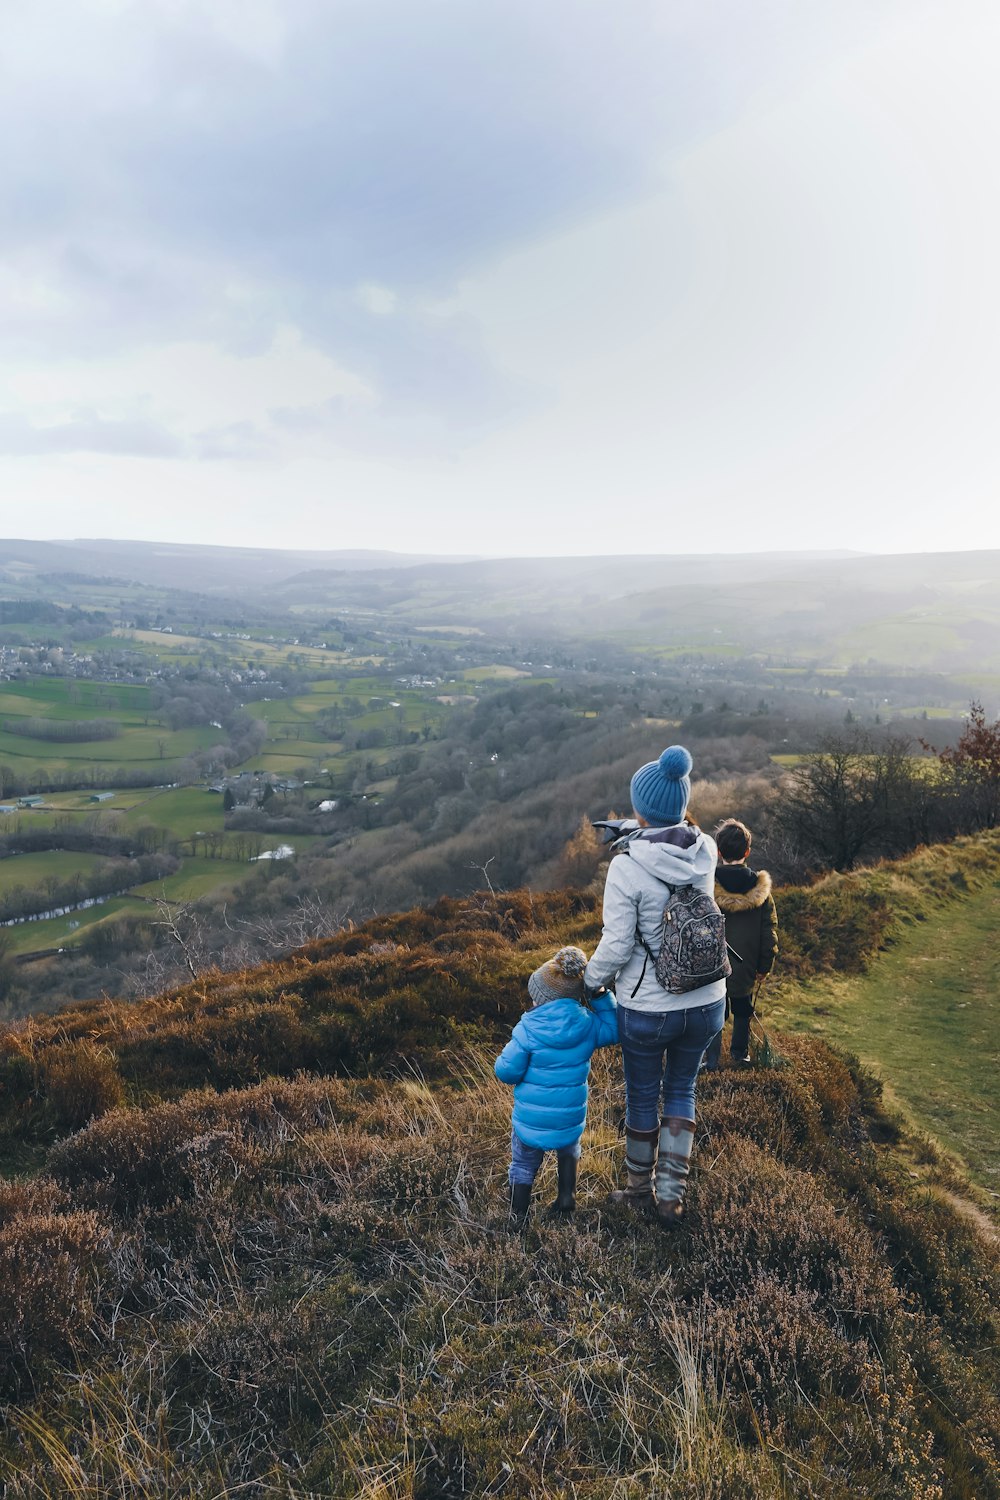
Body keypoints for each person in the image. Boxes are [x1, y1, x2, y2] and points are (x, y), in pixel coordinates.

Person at [584, 745, 725, 1228]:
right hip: (708, 999)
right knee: (682, 1088)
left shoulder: (626, 865)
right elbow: (672, 845)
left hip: (649, 1006)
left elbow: (618, 945)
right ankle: (672, 1197)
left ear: (639, 810)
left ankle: (637, 1191)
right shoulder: (705, 853)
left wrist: (589, 980)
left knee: (643, 1094)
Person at [495, 946, 618, 1228]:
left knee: (524, 1163)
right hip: (569, 1117)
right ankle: (566, 1199)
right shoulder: (587, 1024)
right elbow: (614, 1029)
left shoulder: (527, 1030)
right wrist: (598, 996)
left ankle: (518, 1218)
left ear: (542, 998)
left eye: (535, 996)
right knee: (568, 1149)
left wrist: (505, 1058)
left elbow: (506, 1071)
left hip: (531, 1121)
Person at [703, 818, 778, 1069]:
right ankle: (740, 1054)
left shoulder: (705, 886)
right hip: (746, 965)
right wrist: (764, 966)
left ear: (719, 851)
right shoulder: (761, 891)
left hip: (711, 966)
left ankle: (710, 1060)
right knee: (743, 1007)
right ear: (747, 852)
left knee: (715, 1009)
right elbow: (769, 934)